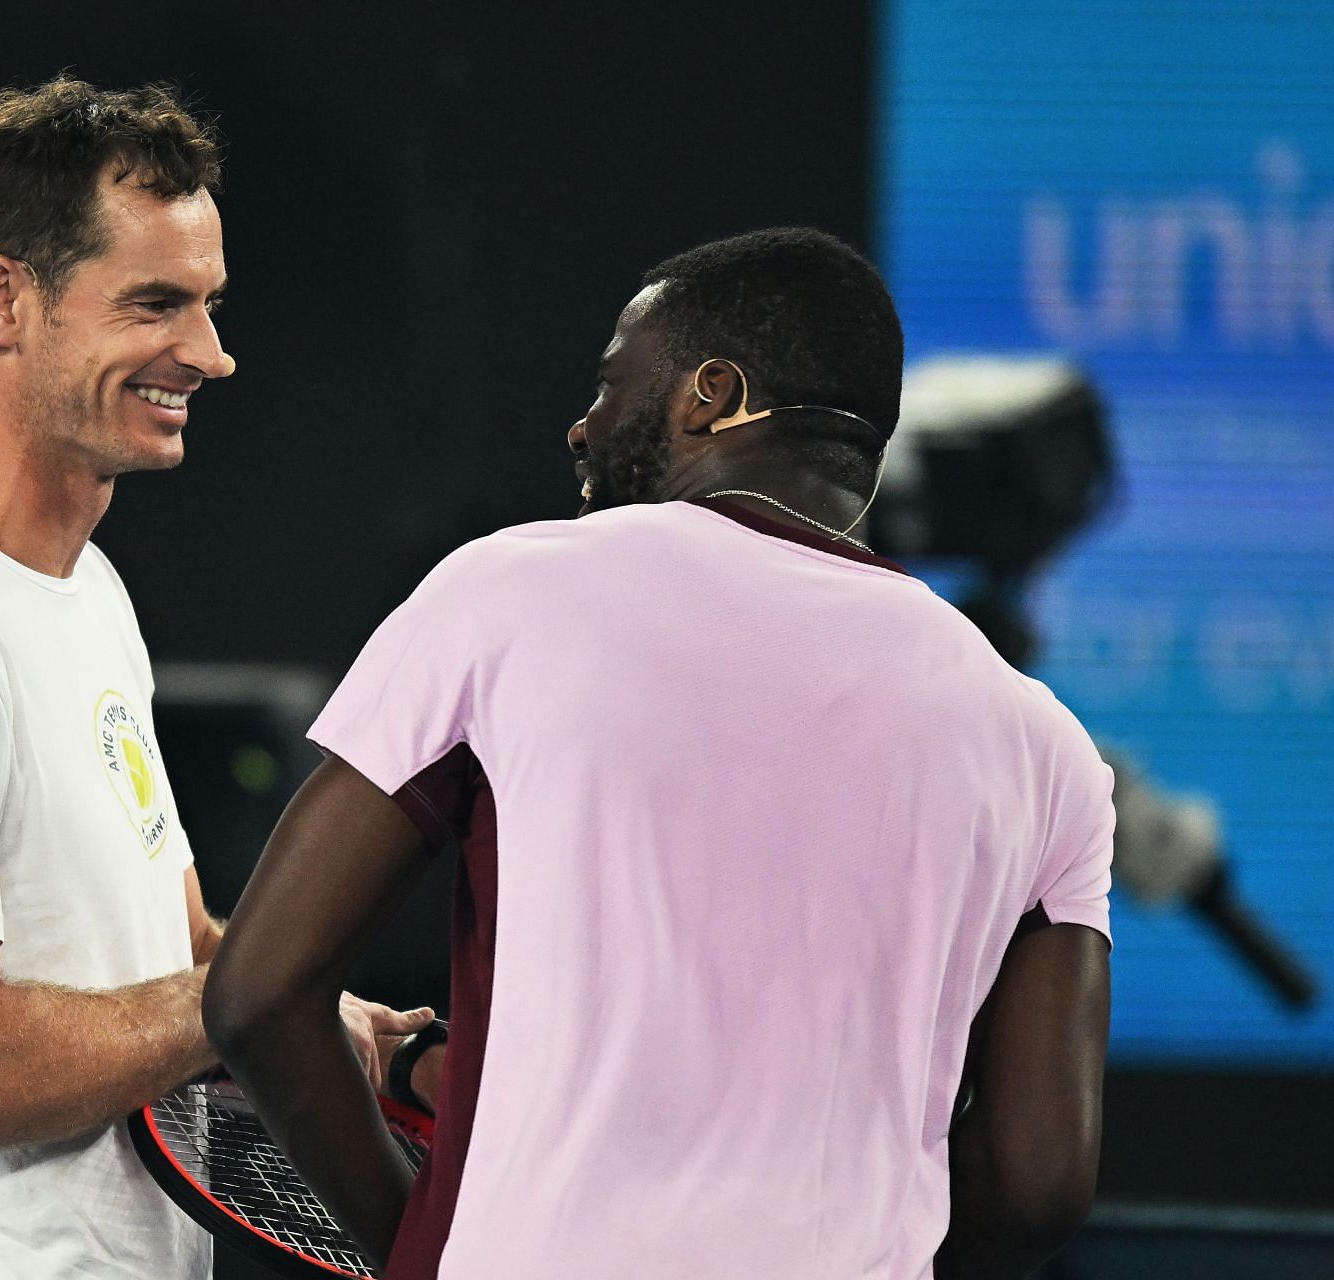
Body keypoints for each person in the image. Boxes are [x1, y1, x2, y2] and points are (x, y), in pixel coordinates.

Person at [205, 228, 1113, 1280]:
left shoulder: (506, 595)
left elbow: (258, 995)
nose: (581, 426)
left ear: (711, 395)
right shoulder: (1048, 746)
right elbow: (1042, 1177)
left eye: (610, 384)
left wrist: (417, 1249)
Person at [0, 77, 430, 1279]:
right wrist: (248, 1003)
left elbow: (163, 943)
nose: (213, 355)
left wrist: (308, 1016)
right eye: (156, 305)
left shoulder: (88, 590)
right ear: (5, 300)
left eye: (212, 303)